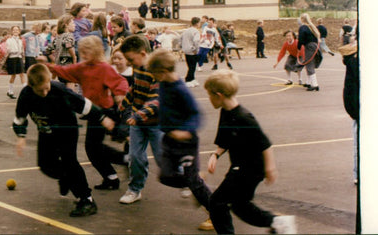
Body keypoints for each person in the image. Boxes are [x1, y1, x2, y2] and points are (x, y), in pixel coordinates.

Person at [13, 63, 115, 217]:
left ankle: (86, 200)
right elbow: (20, 118)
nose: (45, 92)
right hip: (46, 132)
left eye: (47, 87)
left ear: (49, 80)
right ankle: (66, 178)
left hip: (67, 130)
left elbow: (84, 105)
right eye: (40, 90)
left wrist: (102, 118)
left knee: (70, 162)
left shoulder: (59, 90)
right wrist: (21, 136)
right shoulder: (26, 95)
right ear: (31, 86)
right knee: (45, 165)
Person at [204, 70, 298, 234]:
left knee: (217, 202)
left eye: (209, 95)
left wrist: (270, 169)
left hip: (250, 169)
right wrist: (216, 155)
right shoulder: (226, 111)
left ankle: (277, 222)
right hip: (242, 166)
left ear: (218, 95)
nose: (208, 99)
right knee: (240, 206)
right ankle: (278, 222)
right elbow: (225, 138)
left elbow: (265, 144)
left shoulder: (244, 117)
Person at [42, 36, 129, 190]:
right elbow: (64, 70)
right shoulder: (82, 67)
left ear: (96, 51)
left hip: (104, 112)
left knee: (93, 148)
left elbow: (120, 82)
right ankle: (114, 174)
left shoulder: (104, 68)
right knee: (94, 148)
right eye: (82, 51)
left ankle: (121, 163)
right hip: (93, 112)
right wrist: (47, 66)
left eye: (87, 51)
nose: (83, 54)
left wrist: (120, 94)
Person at [147, 49, 212, 214]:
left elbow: (196, 114)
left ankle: (215, 212)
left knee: (193, 182)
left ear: (163, 72)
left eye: (154, 73)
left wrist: (185, 131)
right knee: (165, 176)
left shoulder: (180, 89)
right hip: (169, 140)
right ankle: (198, 180)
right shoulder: (164, 84)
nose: (153, 77)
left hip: (186, 142)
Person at [115, 35, 162, 205]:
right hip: (138, 122)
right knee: (135, 156)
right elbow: (135, 87)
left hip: (155, 122)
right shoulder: (138, 67)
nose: (128, 63)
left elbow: (155, 99)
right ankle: (135, 189)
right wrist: (124, 105)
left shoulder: (158, 70)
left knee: (163, 160)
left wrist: (137, 116)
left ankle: (187, 178)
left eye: (130, 59)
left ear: (142, 53)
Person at [339, 38, 359, 186]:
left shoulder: (352, 61)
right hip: (359, 110)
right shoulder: (354, 62)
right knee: (359, 143)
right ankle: (358, 172)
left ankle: (358, 172)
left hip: (356, 109)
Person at [297, 13, 323, 91]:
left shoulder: (303, 27)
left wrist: (298, 48)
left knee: (309, 64)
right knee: (309, 63)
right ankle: (308, 82)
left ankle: (315, 84)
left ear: (302, 19)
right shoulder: (312, 27)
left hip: (309, 46)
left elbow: (301, 39)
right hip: (315, 46)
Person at [5, 26, 26, 98]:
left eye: (17, 30)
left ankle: (25, 91)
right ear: (11, 31)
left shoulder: (20, 40)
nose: (15, 31)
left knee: (22, 74)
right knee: (13, 75)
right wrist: (14, 51)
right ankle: (10, 91)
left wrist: (22, 55)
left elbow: (22, 49)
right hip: (12, 58)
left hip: (19, 57)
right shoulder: (9, 40)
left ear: (19, 31)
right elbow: (8, 49)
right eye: (14, 30)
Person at [181, 17, 201, 87]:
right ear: (197, 23)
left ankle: (192, 78)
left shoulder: (186, 31)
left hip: (186, 49)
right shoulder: (196, 31)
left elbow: (181, 38)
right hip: (192, 50)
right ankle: (188, 79)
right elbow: (196, 41)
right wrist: (196, 49)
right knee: (193, 66)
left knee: (190, 65)